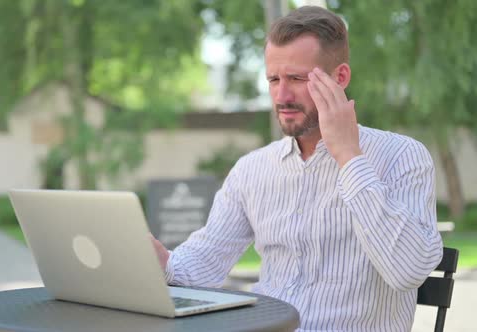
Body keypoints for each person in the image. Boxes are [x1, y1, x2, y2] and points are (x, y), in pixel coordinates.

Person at [151, 5, 443, 331]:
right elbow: (205, 263)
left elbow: (408, 271)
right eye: (273, 79)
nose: (282, 95)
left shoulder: (403, 156)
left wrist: (348, 156)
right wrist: (162, 262)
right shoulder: (252, 170)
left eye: (297, 78)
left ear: (340, 77)